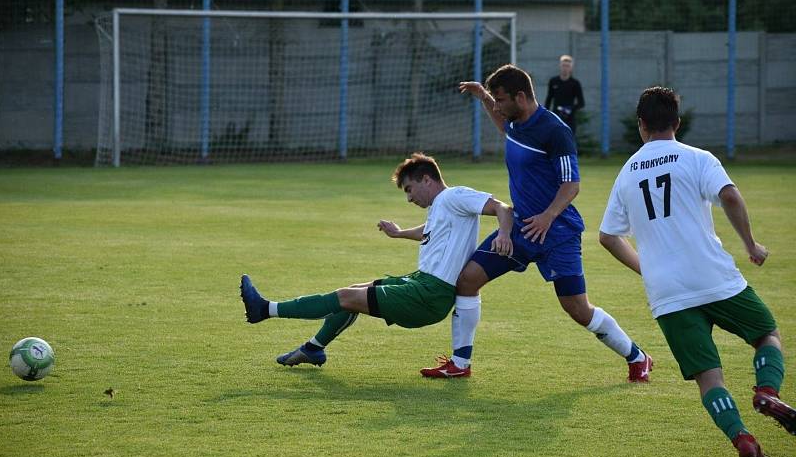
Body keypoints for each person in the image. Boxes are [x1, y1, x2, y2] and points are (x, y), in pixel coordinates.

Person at [599, 86, 795, 457]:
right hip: (714, 276)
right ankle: (767, 391)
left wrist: (647, 267)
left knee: (709, 377)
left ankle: (743, 439)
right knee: (766, 334)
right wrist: (751, 245)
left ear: (641, 125)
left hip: (667, 291)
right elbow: (731, 197)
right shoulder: (696, 157)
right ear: (677, 122)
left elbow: (608, 236)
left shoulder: (626, 173)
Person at [420, 64, 651, 381]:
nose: (498, 107)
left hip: (558, 234)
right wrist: (483, 96)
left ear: (521, 96)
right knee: (467, 280)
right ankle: (460, 364)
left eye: (502, 100)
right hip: (519, 231)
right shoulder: (514, 124)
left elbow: (571, 185)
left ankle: (637, 356)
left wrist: (547, 216)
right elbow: (503, 125)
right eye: (496, 101)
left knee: (577, 309)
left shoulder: (555, 131)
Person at [239, 152, 514, 367]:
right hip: (420, 283)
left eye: (409, 189)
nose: (408, 198)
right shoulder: (441, 206)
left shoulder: (455, 196)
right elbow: (429, 233)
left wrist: (503, 234)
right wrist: (399, 233)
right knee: (355, 291)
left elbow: (502, 207)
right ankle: (313, 349)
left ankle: (265, 310)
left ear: (427, 180)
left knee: (346, 296)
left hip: (430, 294)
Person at [544, 55, 585, 134]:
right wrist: (546, 114)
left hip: (569, 119)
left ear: (571, 68)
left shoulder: (575, 83)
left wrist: (569, 109)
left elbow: (581, 103)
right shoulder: (553, 81)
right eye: (563, 65)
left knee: (569, 141)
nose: (565, 68)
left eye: (568, 66)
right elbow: (549, 99)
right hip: (556, 117)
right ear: (560, 66)